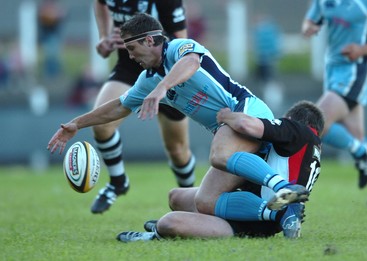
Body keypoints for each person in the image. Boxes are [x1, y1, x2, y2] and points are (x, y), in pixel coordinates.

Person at [47, 13, 309, 231]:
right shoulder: (147, 79)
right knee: (206, 201)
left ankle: (284, 188)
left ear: (149, 40)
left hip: (245, 111)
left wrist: (162, 88)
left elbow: (191, 64)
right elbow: (118, 107)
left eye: (131, 48)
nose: (130, 56)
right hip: (226, 131)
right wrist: (77, 124)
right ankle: (280, 215)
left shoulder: (179, 47)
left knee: (219, 154)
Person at [115, 100, 324, 241]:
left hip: (252, 221)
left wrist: (226, 116)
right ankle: (280, 210)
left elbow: (247, 124)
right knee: (176, 197)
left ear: (291, 119)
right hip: (257, 204)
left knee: (169, 223)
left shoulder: (295, 129)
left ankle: (152, 237)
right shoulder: (312, 151)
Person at [89, 0, 196, 214]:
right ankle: (118, 182)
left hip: (166, 72)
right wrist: (104, 36)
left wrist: (145, 44)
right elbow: (100, 4)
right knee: (102, 126)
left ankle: (190, 198)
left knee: (177, 150)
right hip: (129, 68)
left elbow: (182, 43)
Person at [302, 0, 367, 207]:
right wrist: (309, 27)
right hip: (332, 71)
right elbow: (310, 19)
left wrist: (364, 49)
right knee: (356, 135)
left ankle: (361, 151)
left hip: (355, 71)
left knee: (316, 122)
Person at [37, 0, 66, 79]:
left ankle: (53, 74)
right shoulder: (43, 11)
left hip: (53, 36)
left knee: (53, 55)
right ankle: (50, 74)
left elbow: (62, 17)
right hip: (48, 36)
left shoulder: (55, 10)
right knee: (50, 55)